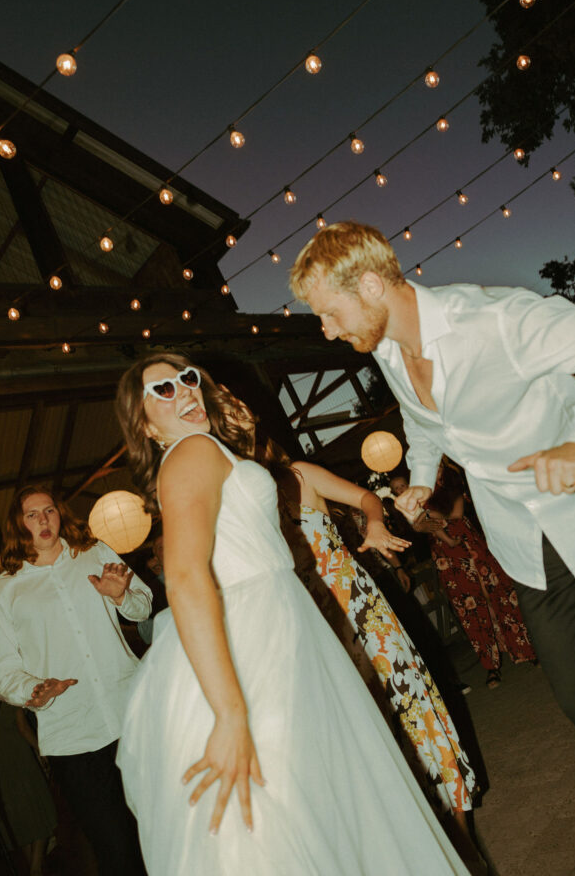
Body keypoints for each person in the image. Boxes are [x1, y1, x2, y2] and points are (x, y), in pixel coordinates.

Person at [290, 219, 575, 789]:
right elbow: (425, 421)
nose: (325, 330)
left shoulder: (498, 319)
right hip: (526, 546)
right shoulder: (387, 351)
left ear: (371, 286)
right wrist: (421, 476)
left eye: (329, 312)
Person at [115, 352, 469, 875]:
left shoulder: (206, 448)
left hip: (280, 621)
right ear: (144, 422)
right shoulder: (191, 451)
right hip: (257, 634)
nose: (184, 390)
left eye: (187, 379)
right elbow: (187, 577)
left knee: (322, 802)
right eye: (162, 389)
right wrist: (230, 711)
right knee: (291, 811)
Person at [259, 441, 481, 866]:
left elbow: (364, 498)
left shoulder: (299, 475)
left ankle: (464, 849)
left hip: (358, 610)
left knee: (413, 711)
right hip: (308, 628)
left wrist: (375, 524)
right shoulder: (236, 509)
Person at [0, 485, 151, 875]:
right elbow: (2, 671)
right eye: (32, 514)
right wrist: (34, 691)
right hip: (73, 738)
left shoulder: (95, 553)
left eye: (50, 510)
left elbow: (143, 606)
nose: (43, 520)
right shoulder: (1, 592)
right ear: (17, 525)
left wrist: (121, 596)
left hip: (133, 715)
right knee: (116, 849)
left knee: (164, 825)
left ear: (61, 514)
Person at [416, 487, 536, 687]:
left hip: (470, 545)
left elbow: (457, 513)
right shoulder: (418, 497)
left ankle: (525, 650)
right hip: (448, 558)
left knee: (499, 596)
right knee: (471, 610)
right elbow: (419, 525)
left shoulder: (451, 486)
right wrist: (424, 521)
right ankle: (491, 666)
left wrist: (432, 515)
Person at [0, 702, 56, 875]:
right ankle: (35, 868)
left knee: (17, 814)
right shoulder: (7, 693)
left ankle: (33, 866)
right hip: (16, 753)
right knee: (38, 806)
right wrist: (41, 750)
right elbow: (23, 727)